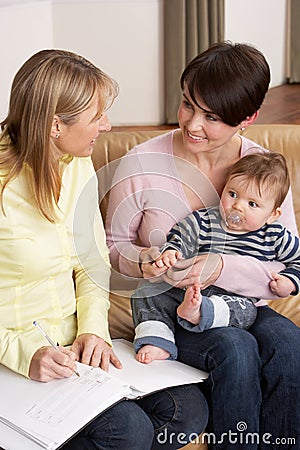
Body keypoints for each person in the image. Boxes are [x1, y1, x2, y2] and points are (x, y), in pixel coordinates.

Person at [0, 49, 208, 450]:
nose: (107, 126)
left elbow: (90, 263)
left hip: (71, 347)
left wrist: (93, 331)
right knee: (128, 432)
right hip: (17, 355)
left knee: (188, 410)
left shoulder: (75, 163)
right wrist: (23, 352)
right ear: (55, 125)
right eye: (96, 117)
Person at [106, 41, 300, 449]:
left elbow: (285, 266)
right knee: (235, 346)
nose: (192, 124)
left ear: (248, 118)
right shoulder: (141, 163)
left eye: (211, 116)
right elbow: (113, 247)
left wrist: (220, 268)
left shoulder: (265, 172)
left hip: (244, 306)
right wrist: (143, 260)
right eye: (188, 104)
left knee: (288, 343)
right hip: (173, 307)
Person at [131, 152, 300, 362]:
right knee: (146, 291)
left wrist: (290, 282)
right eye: (232, 194)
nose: (237, 206)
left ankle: (200, 312)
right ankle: (157, 339)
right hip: (190, 290)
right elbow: (180, 238)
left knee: (247, 311)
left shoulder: (275, 236)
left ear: (273, 214)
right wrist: (171, 253)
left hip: (235, 299)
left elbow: (298, 261)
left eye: (252, 204)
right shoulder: (204, 220)